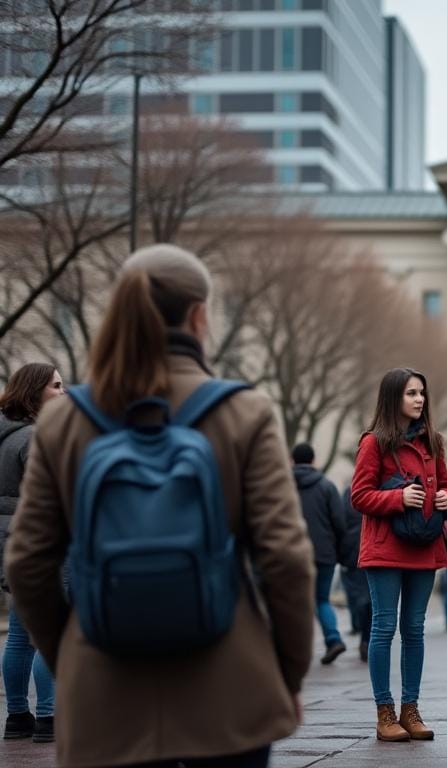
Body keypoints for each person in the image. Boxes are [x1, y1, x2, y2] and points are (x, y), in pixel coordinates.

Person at [4, 244, 314, 768]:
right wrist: (285, 672)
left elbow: (27, 563)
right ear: (198, 315)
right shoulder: (244, 412)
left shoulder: (64, 422)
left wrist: (75, 659)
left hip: (104, 690)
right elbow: (285, 559)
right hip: (229, 685)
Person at [350, 367, 447, 742]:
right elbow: (359, 496)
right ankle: (385, 713)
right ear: (394, 398)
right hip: (385, 549)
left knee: (414, 628)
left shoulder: (433, 443)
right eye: (412, 393)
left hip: (424, 546)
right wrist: (398, 498)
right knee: (384, 626)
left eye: (422, 393)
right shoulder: (374, 443)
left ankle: (411, 710)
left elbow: (445, 488)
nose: (419, 400)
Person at [0, 363, 63, 743]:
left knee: (21, 635)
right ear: (35, 391)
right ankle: (48, 718)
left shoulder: (4, 436)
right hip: (39, 543)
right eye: (56, 386)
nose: (63, 393)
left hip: (7, 544)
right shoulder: (36, 439)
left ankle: (17, 716)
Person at [291, 442, 353, 665]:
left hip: (293, 553)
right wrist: (339, 549)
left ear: (291, 461)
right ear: (313, 461)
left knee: (294, 601)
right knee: (321, 599)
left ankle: (296, 648)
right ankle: (333, 638)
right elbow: (339, 521)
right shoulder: (326, 486)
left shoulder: (284, 485)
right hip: (324, 554)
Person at [340, 486, 372, 661]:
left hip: (352, 551)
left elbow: (339, 521)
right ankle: (366, 638)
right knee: (371, 599)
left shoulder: (349, 492)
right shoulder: (378, 486)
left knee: (359, 596)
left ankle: (364, 635)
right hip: (371, 547)